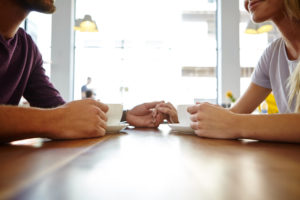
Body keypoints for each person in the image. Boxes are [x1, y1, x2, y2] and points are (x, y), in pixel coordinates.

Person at [0, 0, 164, 143]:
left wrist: (123, 116)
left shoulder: (27, 47)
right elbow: (59, 117)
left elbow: (57, 108)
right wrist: (57, 119)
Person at [157, 0, 300, 143]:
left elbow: (232, 120)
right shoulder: (273, 54)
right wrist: (186, 120)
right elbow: (233, 114)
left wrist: (235, 123)